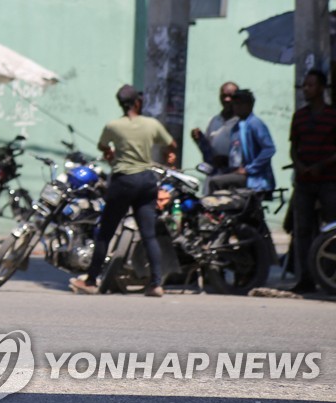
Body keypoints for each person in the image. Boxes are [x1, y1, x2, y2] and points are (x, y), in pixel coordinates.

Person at [70, 85, 177, 297]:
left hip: (123, 181)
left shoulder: (113, 126)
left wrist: (111, 153)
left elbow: (103, 146)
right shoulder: (151, 124)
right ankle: (156, 284)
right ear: (138, 102)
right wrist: (169, 156)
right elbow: (171, 144)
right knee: (149, 235)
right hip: (147, 181)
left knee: (105, 234)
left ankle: (91, 281)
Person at [288, 70, 336, 294]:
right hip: (304, 181)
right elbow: (293, 147)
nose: (306, 89)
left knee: (331, 229)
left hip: (328, 180)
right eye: (304, 85)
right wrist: (300, 165)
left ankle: (328, 275)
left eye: (310, 85)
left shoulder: (332, 116)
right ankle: (305, 278)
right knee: (302, 231)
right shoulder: (299, 116)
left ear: (322, 88)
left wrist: (321, 166)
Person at [208, 89, 276, 194]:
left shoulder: (255, 123)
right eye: (235, 104)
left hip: (254, 178)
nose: (237, 107)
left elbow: (269, 149)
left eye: (241, 104)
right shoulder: (237, 126)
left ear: (249, 105)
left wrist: (249, 169)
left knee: (216, 183)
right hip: (237, 173)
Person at [191, 81, 240, 178]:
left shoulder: (242, 123)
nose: (227, 99)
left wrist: (227, 160)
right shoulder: (214, 121)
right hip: (214, 175)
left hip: (233, 177)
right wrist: (200, 139)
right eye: (224, 96)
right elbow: (208, 151)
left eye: (231, 96)